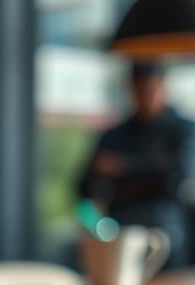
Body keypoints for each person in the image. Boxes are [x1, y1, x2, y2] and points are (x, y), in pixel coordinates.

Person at [79, 62, 195, 268]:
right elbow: (84, 186)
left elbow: (179, 175)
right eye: (139, 89)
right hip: (121, 234)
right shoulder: (115, 135)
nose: (145, 96)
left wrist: (122, 167)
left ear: (163, 87)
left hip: (168, 234)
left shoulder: (182, 129)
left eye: (150, 89)